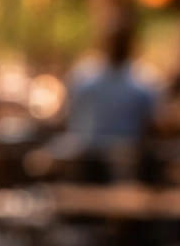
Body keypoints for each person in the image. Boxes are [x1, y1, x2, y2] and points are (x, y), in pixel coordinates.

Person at [63, 24, 158, 176]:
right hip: (121, 162)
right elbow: (152, 124)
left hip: (91, 158)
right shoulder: (144, 84)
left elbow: (69, 117)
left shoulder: (84, 80)